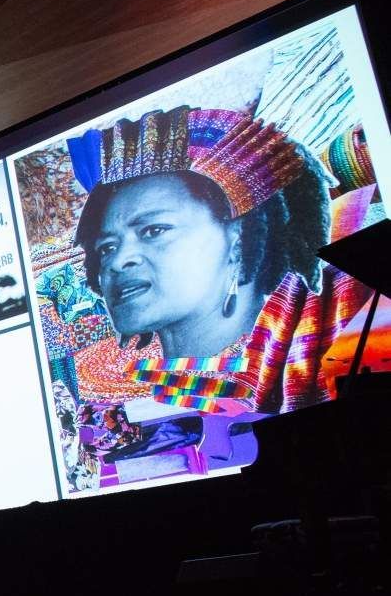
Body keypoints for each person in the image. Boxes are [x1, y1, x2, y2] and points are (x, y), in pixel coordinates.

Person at [70, 106, 379, 413]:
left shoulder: (340, 334)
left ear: (237, 238)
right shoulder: (111, 387)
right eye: (106, 247)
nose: (117, 261)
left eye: (154, 230)